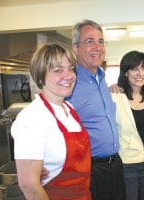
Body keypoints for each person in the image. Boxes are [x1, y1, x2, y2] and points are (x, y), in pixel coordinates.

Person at [11, 43, 91, 200]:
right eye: (58, 70)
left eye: (71, 68)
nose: (68, 75)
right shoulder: (33, 118)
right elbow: (29, 185)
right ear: (40, 76)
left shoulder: (69, 108)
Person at [68, 19, 126, 200]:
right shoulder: (70, 83)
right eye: (90, 41)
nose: (98, 47)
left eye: (101, 41)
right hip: (91, 170)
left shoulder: (101, 79)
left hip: (115, 165)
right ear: (76, 48)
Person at [111, 51, 144, 200]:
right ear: (126, 72)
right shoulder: (114, 97)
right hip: (127, 165)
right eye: (134, 69)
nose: (140, 73)